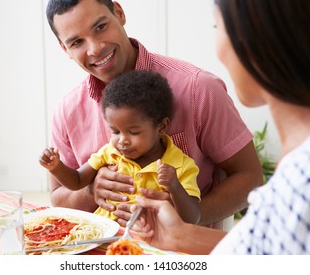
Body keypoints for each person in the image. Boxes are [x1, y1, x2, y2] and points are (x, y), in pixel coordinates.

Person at [132, 0, 310, 254]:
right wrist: (180, 236)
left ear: (254, 37)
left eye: (217, 27)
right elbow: (268, 252)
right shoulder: (307, 169)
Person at [45, 0, 262, 227]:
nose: (95, 49)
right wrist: (90, 191)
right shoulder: (67, 112)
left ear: (119, 13)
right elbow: (58, 197)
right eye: (77, 42)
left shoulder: (198, 89)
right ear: (64, 49)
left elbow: (250, 177)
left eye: (100, 27)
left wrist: (179, 221)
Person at [40, 70, 201, 223]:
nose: (122, 140)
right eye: (115, 131)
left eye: (133, 132)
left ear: (161, 127)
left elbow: (192, 218)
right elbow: (77, 181)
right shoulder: (110, 152)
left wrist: (174, 186)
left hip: (152, 244)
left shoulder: (181, 165)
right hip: (104, 237)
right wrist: (56, 167)